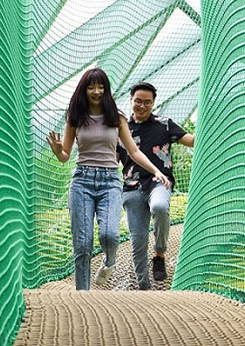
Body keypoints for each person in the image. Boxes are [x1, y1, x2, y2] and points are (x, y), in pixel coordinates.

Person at [47, 69, 170, 291]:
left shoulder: (117, 118)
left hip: (110, 182)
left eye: (100, 86)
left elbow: (133, 152)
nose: (96, 91)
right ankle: (82, 295)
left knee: (110, 236)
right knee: (82, 245)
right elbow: (65, 155)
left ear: (106, 90)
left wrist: (156, 171)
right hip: (82, 181)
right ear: (84, 90)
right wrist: (58, 151)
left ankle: (109, 261)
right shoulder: (75, 117)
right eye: (91, 87)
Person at [117, 82, 194, 290]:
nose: (142, 106)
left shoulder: (164, 124)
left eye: (147, 102)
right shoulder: (122, 129)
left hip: (159, 181)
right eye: (138, 101)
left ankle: (159, 254)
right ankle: (144, 286)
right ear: (131, 101)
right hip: (131, 185)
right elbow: (112, 158)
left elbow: (192, 140)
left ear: (153, 103)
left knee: (160, 207)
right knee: (138, 238)